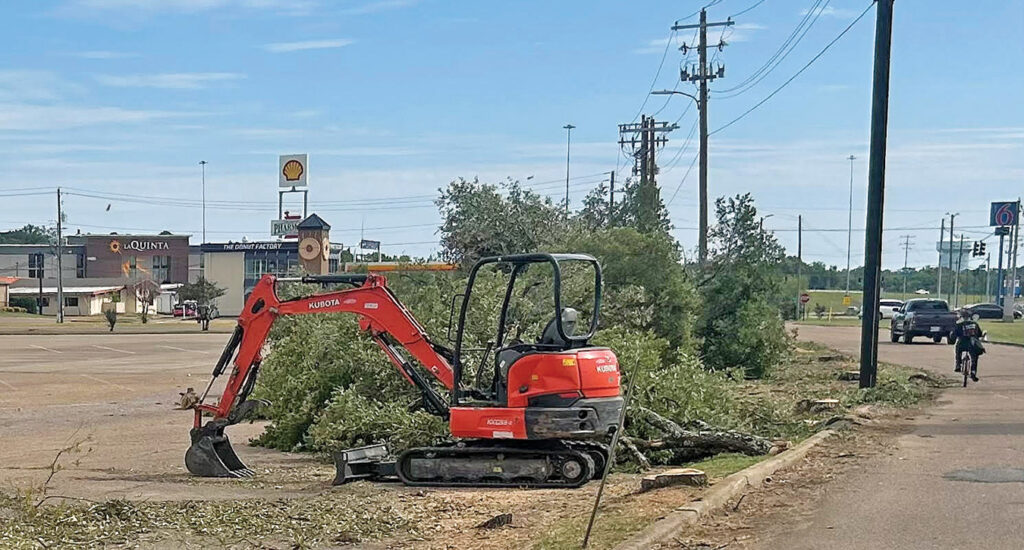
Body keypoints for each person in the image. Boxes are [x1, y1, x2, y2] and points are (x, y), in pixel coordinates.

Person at [953, 311, 985, 381]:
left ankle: (958, 364)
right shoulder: (975, 324)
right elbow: (979, 334)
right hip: (972, 344)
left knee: (958, 350)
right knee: (974, 357)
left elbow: (954, 335)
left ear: (962, 317)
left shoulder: (959, 324)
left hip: (962, 343)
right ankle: (973, 372)